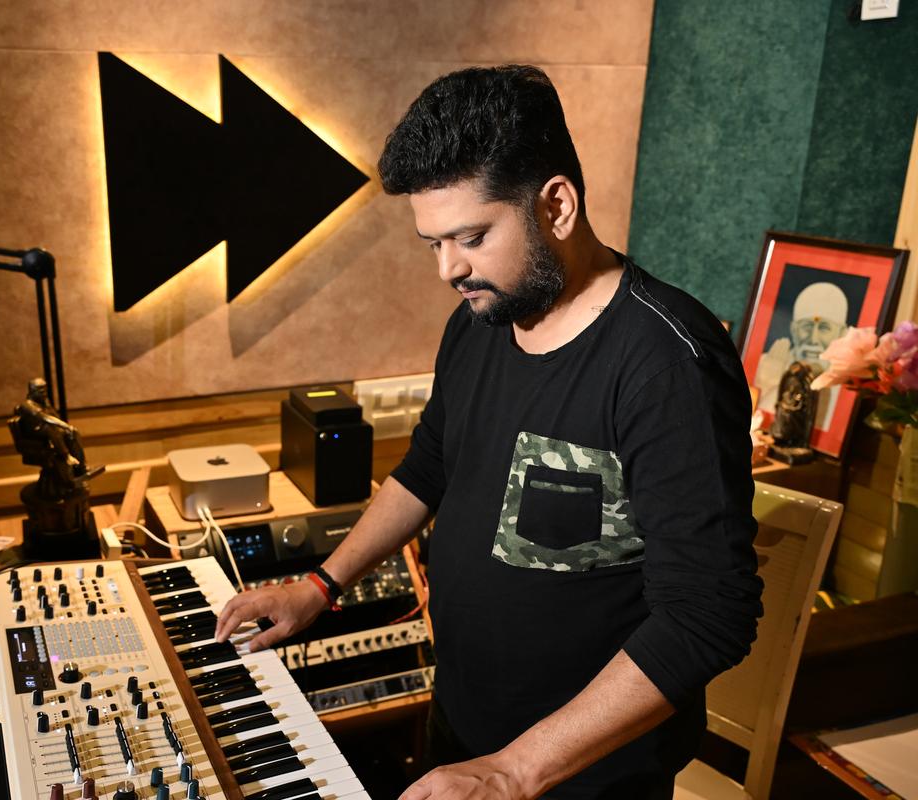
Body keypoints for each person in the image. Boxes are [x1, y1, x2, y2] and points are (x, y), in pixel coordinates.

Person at [215, 65, 763, 799]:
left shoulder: (667, 363)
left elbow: (708, 617)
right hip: (466, 733)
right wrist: (321, 584)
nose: (449, 268)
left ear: (557, 206)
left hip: (580, 774)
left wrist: (513, 772)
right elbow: (428, 467)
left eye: (471, 236)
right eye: (433, 243)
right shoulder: (480, 322)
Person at [754, 281, 849, 428]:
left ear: (842, 333)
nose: (813, 338)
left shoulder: (849, 384)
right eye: (807, 326)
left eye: (824, 328)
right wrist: (766, 386)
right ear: (793, 330)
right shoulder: (766, 364)